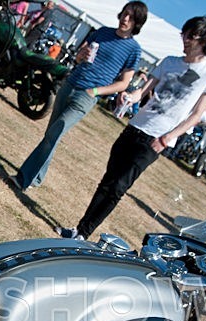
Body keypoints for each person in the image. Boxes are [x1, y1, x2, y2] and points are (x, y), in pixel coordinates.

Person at [55, 15, 206, 240]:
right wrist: (128, 97)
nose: (185, 40)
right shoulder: (169, 62)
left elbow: (197, 115)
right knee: (107, 181)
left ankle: (84, 234)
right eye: (184, 34)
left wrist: (168, 138)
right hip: (135, 127)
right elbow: (142, 92)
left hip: (156, 139)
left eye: (191, 36)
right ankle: (79, 230)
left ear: (205, 40)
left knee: (118, 187)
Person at [9, 1, 148, 190]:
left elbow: (124, 83)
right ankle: (38, 177)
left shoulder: (133, 49)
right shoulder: (102, 32)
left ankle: (24, 178)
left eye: (131, 17)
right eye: (125, 13)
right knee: (51, 134)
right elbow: (78, 58)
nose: (126, 18)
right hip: (70, 84)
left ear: (137, 23)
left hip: (86, 96)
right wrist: (81, 54)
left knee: (55, 133)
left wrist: (96, 92)